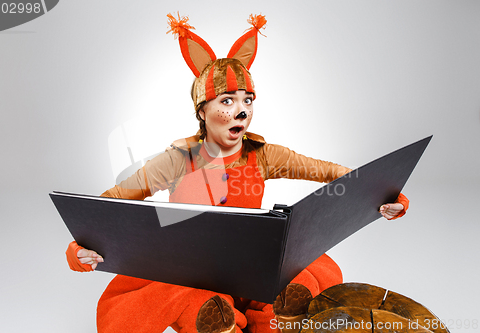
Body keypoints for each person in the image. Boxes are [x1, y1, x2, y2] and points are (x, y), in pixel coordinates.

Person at [65, 13, 408, 333]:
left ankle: (279, 317)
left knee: (305, 272)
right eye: (227, 101)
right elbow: (110, 206)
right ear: (203, 111)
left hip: (252, 271)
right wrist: (79, 248)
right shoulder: (178, 158)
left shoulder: (263, 155)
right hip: (193, 274)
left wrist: (384, 194)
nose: (241, 110)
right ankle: (216, 320)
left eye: (248, 100)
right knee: (186, 298)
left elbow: (331, 173)